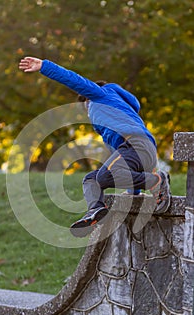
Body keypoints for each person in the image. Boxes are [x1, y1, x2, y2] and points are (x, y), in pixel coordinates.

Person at [19, 56, 171, 237]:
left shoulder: (101, 94)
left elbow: (73, 79)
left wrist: (44, 66)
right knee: (91, 179)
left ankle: (157, 181)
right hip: (137, 153)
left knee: (105, 176)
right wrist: (134, 193)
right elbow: (124, 166)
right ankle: (96, 210)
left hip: (137, 145)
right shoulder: (117, 119)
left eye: (87, 108)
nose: (88, 114)